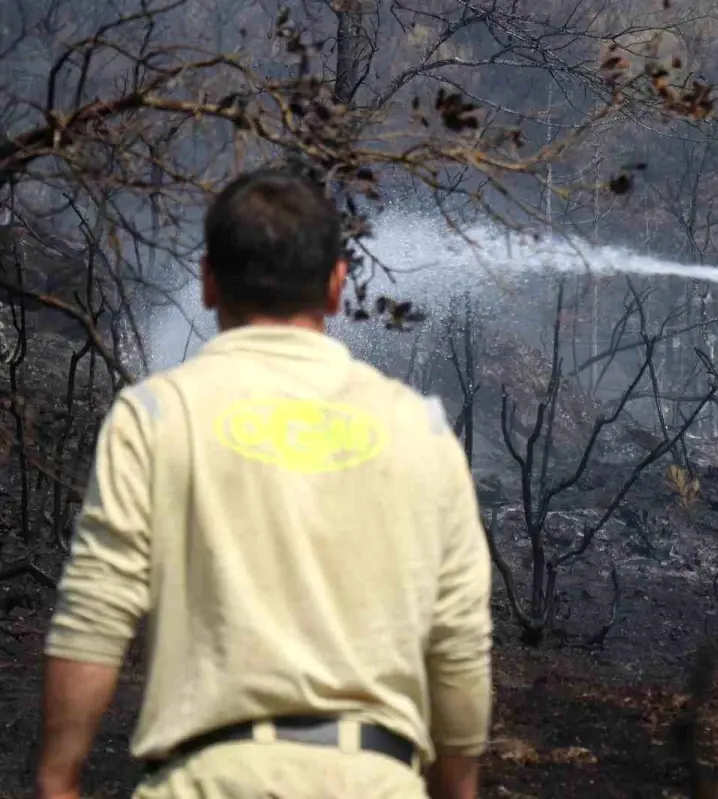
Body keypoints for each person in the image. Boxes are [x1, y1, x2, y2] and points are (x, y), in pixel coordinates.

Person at [35, 167, 493, 799]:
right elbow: (460, 642)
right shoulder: (422, 430)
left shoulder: (159, 414)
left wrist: (58, 776)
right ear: (336, 287)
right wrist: (458, 786)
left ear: (207, 283)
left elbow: (94, 612)